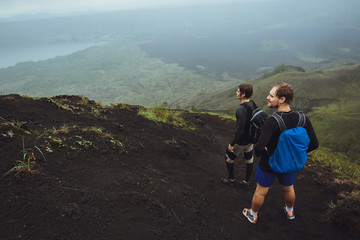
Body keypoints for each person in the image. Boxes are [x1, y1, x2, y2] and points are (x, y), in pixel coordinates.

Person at [242, 82, 319, 224]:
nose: (267, 98)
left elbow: (258, 149)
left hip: (270, 163)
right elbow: (314, 144)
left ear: (282, 99)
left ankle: (252, 215)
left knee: (261, 191)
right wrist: (294, 153)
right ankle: (290, 211)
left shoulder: (272, 121)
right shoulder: (303, 118)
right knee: (288, 188)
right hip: (290, 163)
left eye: (271, 96)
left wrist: (268, 152)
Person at [221, 83, 258, 188]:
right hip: (251, 139)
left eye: (238, 91)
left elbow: (240, 130)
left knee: (228, 158)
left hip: (242, 141)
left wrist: (232, 144)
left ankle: (231, 180)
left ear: (243, 94)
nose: (236, 93)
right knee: (249, 160)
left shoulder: (241, 109)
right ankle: (246, 182)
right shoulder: (252, 103)